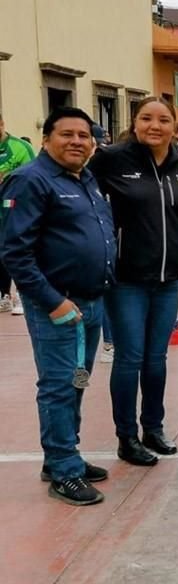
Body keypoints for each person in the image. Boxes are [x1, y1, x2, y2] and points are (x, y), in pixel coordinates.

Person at [0, 107, 113, 505]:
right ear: (47, 138)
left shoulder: (85, 178)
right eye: (67, 134)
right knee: (59, 387)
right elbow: (14, 252)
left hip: (91, 303)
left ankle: (64, 455)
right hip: (58, 306)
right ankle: (64, 471)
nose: (77, 142)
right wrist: (53, 301)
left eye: (84, 135)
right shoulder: (30, 180)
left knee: (77, 381)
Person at [87, 96, 178, 467]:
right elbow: (83, 199)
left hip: (169, 278)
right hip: (127, 279)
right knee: (130, 358)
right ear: (135, 123)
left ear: (175, 127)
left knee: (156, 359)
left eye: (163, 120)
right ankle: (127, 436)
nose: (155, 126)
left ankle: (153, 428)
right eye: (146, 119)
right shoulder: (112, 160)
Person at [0, 112, 36, 315]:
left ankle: (23, 296)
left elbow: (32, 177)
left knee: (18, 253)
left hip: (14, 210)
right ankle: (5, 294)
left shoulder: (20, 148)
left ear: (2, 124)